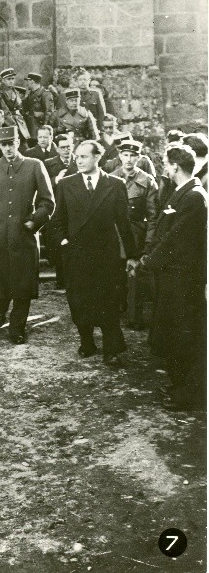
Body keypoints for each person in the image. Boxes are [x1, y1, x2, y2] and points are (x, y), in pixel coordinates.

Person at [53, 141, 137, 367]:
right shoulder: (65, 184)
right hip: (77, 255)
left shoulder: (115, 184)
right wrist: (64, 240)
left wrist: (131, 255)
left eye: (84, 156)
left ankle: (112, 349)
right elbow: (58, 220)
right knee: (80, 301)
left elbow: (124, 224)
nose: (79, 161)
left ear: (97, 157)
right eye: (76, 157)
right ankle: (87, 341)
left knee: (108, 301)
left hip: (106, 255)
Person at [138, 144, 207, 409]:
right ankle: (179, 385)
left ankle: (187, 395)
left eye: (167, 164)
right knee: (174, 334)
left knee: (184, 336)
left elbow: (175, 238)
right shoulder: (183, 193)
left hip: (183, 281)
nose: (165, 169)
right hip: (173, 278)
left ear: (175, 166)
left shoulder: (194, 197)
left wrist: (150, 260)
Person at [0, 126, 55, 344]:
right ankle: (2, 308)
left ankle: (17, 327)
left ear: (18, 143)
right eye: (3, 144)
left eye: (11, 143)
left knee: (23, 283)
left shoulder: (34, 165)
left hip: (25, 236)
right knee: (2, 280)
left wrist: (34, 220)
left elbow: (48, 201)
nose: (8, 148)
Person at [112, 140, 159, 329]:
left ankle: (134, 317)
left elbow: (153, 216)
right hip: (114, 234)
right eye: (125, 155)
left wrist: (148, 242)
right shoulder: (110, 178)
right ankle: (115, 311)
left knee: (134, 275)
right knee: (114, 274)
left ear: (139, 158)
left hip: (135, 234)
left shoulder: (147, 181)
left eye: (133, 156)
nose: (129, 159)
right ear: (120, 156)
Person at [45, 136, 78, 289]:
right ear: (57, 149)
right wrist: (55, 179)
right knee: (59, 243)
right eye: (63, 147)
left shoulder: (80, 161)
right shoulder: (48, 164)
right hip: (57, 209)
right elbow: (42, 187)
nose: (66, 150)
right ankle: (61, 280)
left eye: (68, 147)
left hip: (76, 208)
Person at [23, 72, 54, 142]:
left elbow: (49, 112)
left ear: (32, 81)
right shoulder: (30, 94)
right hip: (30, 129)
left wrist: (45, 129)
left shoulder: (45, 94)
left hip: (39, 130)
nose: (26, 84)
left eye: (27, 81)